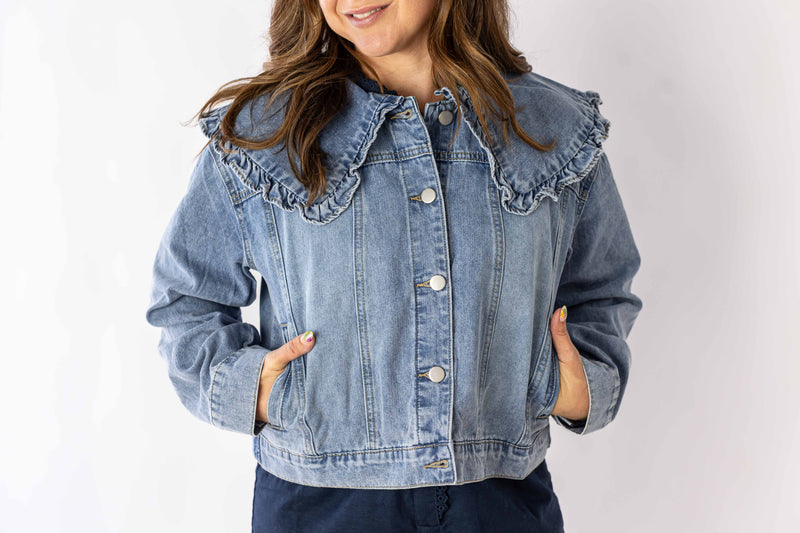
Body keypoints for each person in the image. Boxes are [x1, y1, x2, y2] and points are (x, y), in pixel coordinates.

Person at [145, 0, 643, 531]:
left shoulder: (554, 129)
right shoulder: (265, 134)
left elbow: (602, 290)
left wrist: (574, 385)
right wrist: (260, 392)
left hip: (502, 504)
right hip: (318, 507)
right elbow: (185, 301)